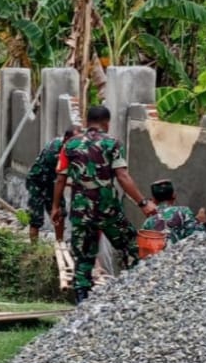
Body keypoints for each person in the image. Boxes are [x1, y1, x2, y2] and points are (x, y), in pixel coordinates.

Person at [51, 105, 157, 304]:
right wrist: (143, 203)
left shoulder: (70, 145)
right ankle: (135, 294)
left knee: (83, 257)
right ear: (107, 123)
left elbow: (60, 179)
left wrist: (56, 206)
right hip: (107, 208)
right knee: (131, 246)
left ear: (86, 121)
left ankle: (82, 303)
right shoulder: (112, 143)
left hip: (81, 209)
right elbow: (123, 176)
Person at [26, 127, 77, 243]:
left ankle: (60, 244)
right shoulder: (54, 149)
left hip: (52, 182)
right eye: (74, 140)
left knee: (60, 212)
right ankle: (34, 248)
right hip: (37, 182)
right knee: (36, 217)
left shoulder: (70, 149)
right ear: (66, 139)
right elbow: (59, 177)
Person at [140, 179, 206, 245]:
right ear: (174, 195)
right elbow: (197, 237)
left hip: (158, 257)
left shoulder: (148, 222)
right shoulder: (184, 212)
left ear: (153, 199)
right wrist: (202, 223)